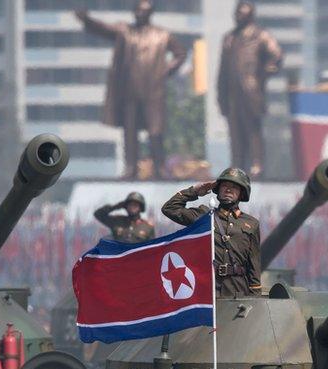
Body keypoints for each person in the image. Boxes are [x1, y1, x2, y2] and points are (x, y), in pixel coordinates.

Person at [75, 1, 187, 179]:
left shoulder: (162, 35)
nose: (140, 14)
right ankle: (131, 168)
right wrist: (87, 20)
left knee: (155, 131)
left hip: (153, 91)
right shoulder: (125, 31)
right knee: (130, 131)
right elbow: (104, 28)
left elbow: (180, 53)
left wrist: (166, 70)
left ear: (150, 13)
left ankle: (160, 167)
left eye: (144, 11)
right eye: (138, 11)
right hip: (130, 91)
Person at [162, 167, 261, 297]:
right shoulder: (204, 215)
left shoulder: (251, 223)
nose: (229, 189)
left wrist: (255, 298)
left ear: (242, 193)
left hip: (237, 289)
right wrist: (195, 191)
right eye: (224, 185)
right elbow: (169, 209)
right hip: (206, 286)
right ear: (218, 189)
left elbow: (253, 264)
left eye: (234, 187)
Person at [217, 1, 283, 180]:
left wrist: (262, 75)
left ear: (250, 16)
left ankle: (257, 165)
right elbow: (222, 70)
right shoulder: (229, 38)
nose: (238, 16)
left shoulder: (261, 35)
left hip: (251, 91)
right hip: (232, 93)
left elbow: (276, 56)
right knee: (235, 131)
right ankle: (237, 166)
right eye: (237, 13)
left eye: (242, 13)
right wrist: (220, 95)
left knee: (253, 129)